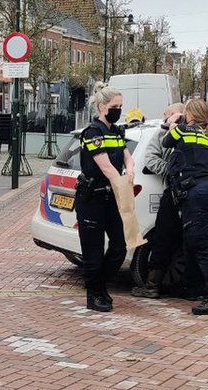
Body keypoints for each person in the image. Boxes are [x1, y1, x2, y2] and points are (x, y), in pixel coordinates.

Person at [74, 83, 134, 313]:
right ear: (101, 107)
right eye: (114, 106)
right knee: (93, 250)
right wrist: (122, 182)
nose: (118, 110)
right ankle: (94, 294)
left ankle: (100, 285)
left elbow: (127, 157)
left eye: (120, 106)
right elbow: (106, 167)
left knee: (119, 246)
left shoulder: (117, 132)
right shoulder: (92, 132)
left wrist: (131, 169)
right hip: (92, 198)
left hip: (111, 198)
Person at [162, 98, 208, 315]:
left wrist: (174, 124)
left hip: (196, 194)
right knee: (193, 243)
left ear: (188, 114)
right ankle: (193, 288)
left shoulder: (182, 130)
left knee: (204, 247)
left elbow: (166, 143)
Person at [131, 102, 197, 300]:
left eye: (170, 115)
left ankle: (187, 286)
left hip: (190, 195)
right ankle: (152, 285)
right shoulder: (162, 134)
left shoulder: (199, 133)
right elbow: (152, 158)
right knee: (163, 239)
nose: (167, 118)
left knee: (191, 241)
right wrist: (172, 172)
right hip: (174, 193)